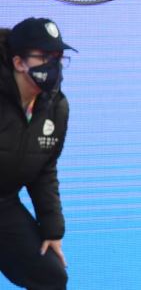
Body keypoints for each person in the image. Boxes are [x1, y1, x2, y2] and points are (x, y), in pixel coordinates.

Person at [0, 17, 76, 290]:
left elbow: (44, 169)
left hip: (3, 205)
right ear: (19, 63)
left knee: (51, 276)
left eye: (58, 58)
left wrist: (52, 229)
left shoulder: (56, 107)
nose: (53, 65)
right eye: (44, 57)